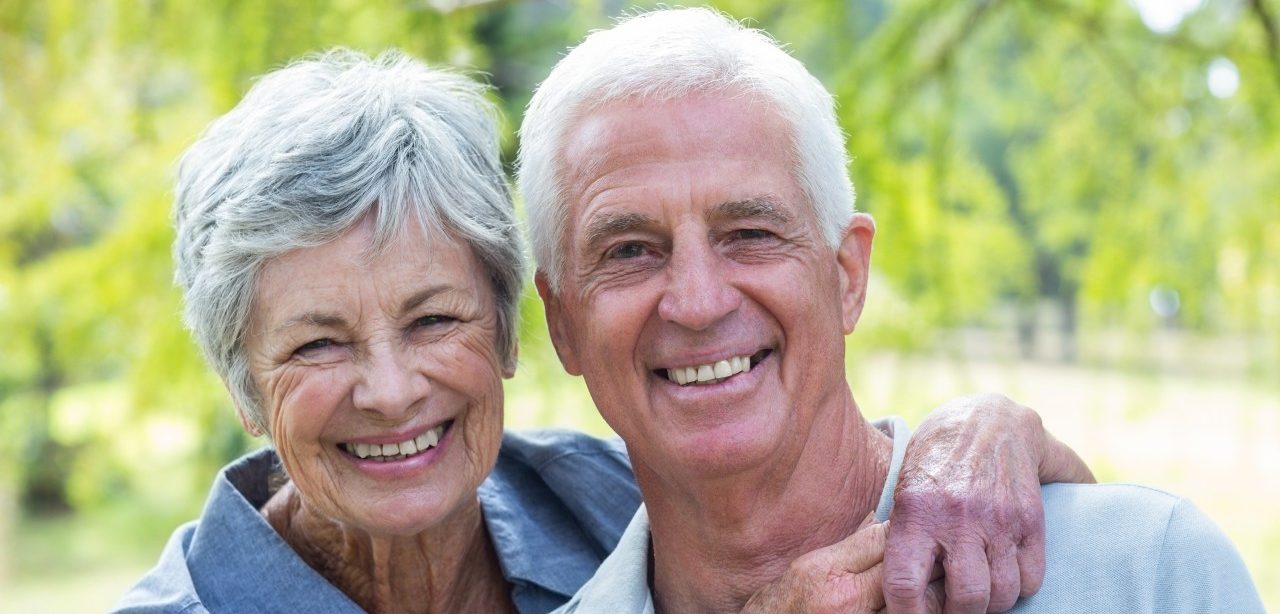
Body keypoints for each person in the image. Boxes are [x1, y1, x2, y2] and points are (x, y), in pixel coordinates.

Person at [117, 49, 1090, 614]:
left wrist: (982, 431)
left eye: (431, 318)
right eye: (317, 342)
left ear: (509, 331)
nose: (389, 387)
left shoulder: (604, 496)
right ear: (240, 379)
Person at [520, 7, 1265, 614]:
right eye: (628, 251)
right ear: (562, 325)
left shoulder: (1149, 571)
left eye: (749, 234)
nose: (697, 301)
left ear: (847, 276)